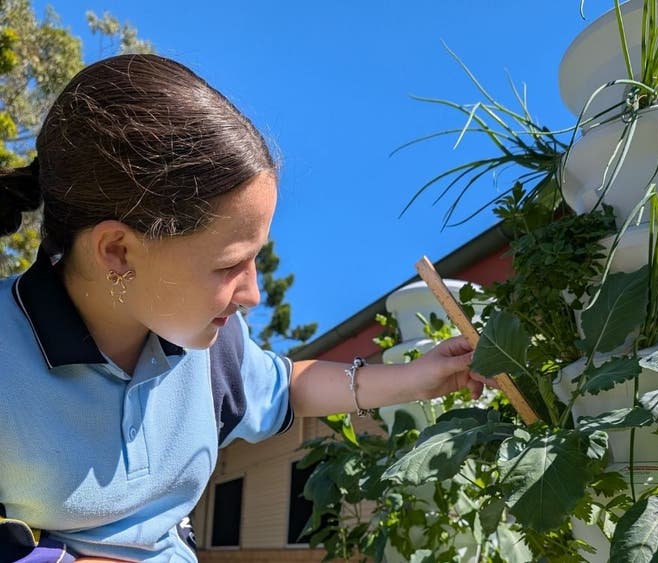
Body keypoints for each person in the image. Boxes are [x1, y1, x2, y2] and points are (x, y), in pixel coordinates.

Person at [0, 54, 484, 562]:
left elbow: (287, 387)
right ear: (117, 251)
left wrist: (422, 377)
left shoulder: (207, 350)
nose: (252, 293)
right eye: (229, 264)